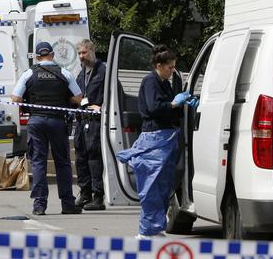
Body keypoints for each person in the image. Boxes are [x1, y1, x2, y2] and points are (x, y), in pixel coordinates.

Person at [116, 45, 197, 239]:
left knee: (162, 187)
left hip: (166, 138)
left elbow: (170, 109)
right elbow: (154, 108)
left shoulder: (165, 83)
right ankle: (146, 231)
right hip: (154, 138)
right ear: (159, 66)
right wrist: (173, 103)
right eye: (170, 67)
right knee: (151, 186)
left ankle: (155, 228)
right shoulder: (151, 81)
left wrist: (185, 103)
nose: (172, 71)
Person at [11, 41, 83, 215]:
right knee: (63, 163)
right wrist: (65, 100)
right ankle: (67, 204)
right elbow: (79, 97)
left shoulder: (29, 73)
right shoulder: (64, 73)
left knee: (38, 162)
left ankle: (39, 205)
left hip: (36, 121)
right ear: (52, 54)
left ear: (36, 57)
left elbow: (15, 98)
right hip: (57, 121)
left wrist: (31, 101)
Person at [73, 39, 107, 211]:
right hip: (81, 120)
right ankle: (85, 193)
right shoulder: (81, 73)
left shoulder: (103, 71)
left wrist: (103, 107)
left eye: (84, 53)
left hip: (95, 121)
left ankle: (98, 196)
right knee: (80, 158)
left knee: (94, 158)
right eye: (79, 53)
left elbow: (115, 93)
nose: (81, 56)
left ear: (93, 51)